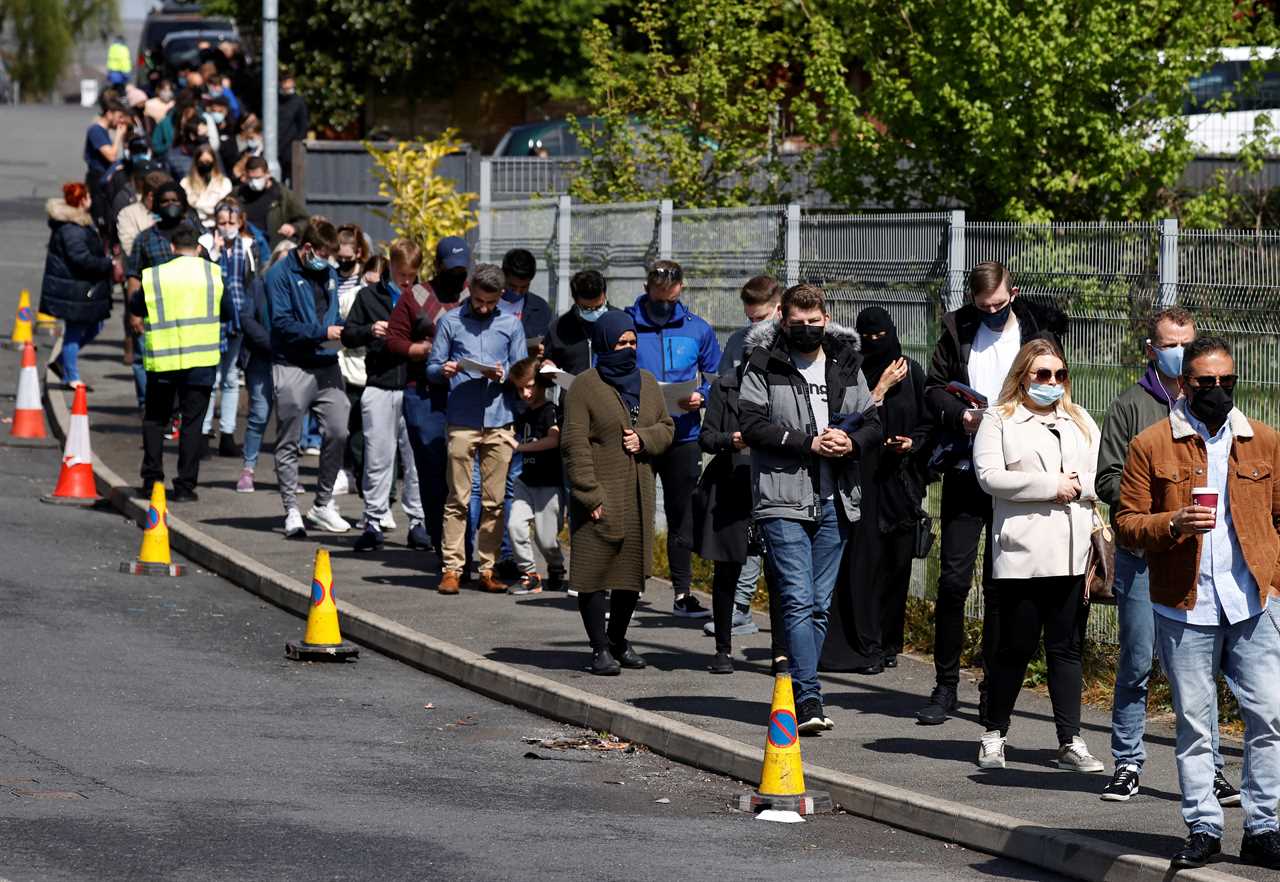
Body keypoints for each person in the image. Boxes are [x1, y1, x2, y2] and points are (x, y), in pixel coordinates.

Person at [1116, 337, 1280, 871]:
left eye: (1226, 382)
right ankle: (1204, 825)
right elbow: (1126, 522)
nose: (1217, 392)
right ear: (1185, 384)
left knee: (1268, 716)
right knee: (1195, 722)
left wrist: (1275, 579)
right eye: (1206, 383)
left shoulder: (1263, 441)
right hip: (1184, 605)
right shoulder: (1153, 443)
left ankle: (1263, 828)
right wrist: (1172, 523)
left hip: (1252, 601)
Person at [1097, 309, 1238, 804]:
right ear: (1151, 350)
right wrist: (1163, 505)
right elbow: (1107, 480)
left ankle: (1214, 770)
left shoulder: (1215, 404)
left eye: (1187, 342)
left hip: (1203, 559)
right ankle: (1128, 762)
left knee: (1202, 672)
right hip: (1145, 555)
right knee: (1137, 662)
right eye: (1169, 343)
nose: (1180, 351)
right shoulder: (1133, 407)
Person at [917, 261, 1066, 726]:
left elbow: (1054, 382)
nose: (993, 313)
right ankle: (945, 686)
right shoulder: (956, 329)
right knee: (953, 581)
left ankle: (992, 691)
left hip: (1016, 470)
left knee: (1002, 585)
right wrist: (958, 416)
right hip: (966, 465)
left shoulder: (1037, 328)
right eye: (984, 307)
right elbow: (935, 387)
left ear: (1013, 293)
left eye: (1000, 305)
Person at [739, 283, 882, 733]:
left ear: (827, 318)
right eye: (797, 324)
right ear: (782, 319)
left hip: (836, 496)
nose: (806, 330)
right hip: (782, 496)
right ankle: (808, 695)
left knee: (820, 604)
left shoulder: (845, 363)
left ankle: (797, 678)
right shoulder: (763, 362)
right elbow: (751, 424)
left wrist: (850, 441)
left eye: (814, 323)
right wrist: (807, 443)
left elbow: (872, 421)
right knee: (797, 599)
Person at [971, 338, 1103, 772]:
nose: (1051, 383)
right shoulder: (1000, 419)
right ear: (1023, 376)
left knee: (1066, 648)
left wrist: (1078, 486)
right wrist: (1052, 485)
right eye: (1042, 374)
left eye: (1059, 375)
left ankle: (1071, 740)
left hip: (1071, 552)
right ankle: (994, 732)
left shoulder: (1080, 420)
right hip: (1024, 553)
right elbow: (990, 477)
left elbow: (1097, 475)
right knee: (1016, 646)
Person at [562, 312, 675, 674]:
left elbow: (666, 428)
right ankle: (599, 649)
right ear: (604, 343)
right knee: (593, 573)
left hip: (637, 492)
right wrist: (588, 494)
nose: (627, 349)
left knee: (630, 574)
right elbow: (574, 443)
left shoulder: (647, 382)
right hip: (599, 491)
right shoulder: (585, 385)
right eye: (619, 343)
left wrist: (644, 438)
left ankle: (617, 640)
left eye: (632, 342)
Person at [625, 260, 722, 617]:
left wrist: (704, 396)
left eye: (670, 295)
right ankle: (628, 589)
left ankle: (683, 593)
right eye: (657, 295)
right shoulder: (628, 325)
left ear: (680, 289)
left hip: (684, 434)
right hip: (640, 432)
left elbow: (717, 376)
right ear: (648, 288)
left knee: (682, 513)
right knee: (636, 511)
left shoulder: (698, 329)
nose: (663, 301)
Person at [426, 263, 526, 594]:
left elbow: (523, 371)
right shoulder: (450, 321)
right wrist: (446, 369)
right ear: (471, 289)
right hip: (462, 419)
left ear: (500, 297)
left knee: (495, 501)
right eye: (480, 301)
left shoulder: (510, 325)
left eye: (491, 303)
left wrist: (506, 373)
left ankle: (487, 568)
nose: (484, 308)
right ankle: (452, 568)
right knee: (458, 498)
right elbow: (431, 368)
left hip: (499, 419)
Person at [841, 306, 931, 671]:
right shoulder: (854, 371)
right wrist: (879, 389)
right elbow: (847, 420)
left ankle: (892, 640)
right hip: (865, 482)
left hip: (902, 483)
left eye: (883, 336)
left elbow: (928, 423)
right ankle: (869, 643)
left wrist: (911, 444)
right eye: (869, 338)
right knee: (868, 564)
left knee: (897, 566)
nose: (877, 344)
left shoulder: (912, 373)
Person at [704, 274, 783, 642]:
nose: (754, 326)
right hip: (741, 455)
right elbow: (724, 388)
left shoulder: (789, 341)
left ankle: (746, 607)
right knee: (744, 534)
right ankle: (738, 607)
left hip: (778, 453)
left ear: (778, 310)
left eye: (762, 318)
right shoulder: (738, 342)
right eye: (750, 318)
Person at [128, 225, 231, 502]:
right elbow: (229, 312)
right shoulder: (213, 274)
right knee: (192, 424)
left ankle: (151, 482)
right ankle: (185, 487)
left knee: (155, 420)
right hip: (201, 362)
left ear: (172, 249)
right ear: (198, 249)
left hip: (164, 360)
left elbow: (136, 306)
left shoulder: (155, 276)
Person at [341, 239, 430, 554]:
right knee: (378, 458)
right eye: (401, 273)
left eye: (412, 274)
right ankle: (373, 521)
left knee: (416, 460)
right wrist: (369, 330)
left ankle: (418, 522)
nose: (407, 280)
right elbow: (348, 334)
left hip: (415, 386)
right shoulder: (369, 295)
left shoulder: (422, 296)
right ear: (390, 266)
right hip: (379, 382)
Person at [385, 236, 471, 558]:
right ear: (437, 266)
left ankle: (464, 544)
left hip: (464, 394)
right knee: (433, 473)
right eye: (451, 270)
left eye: (462, 270)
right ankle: (441, 544)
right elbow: (393, 340)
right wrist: (418, 350)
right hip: (424, 396)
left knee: (464, 474)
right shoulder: (415, 296)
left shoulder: (472, 296)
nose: (457, 277)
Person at [265, 218, 350, 538]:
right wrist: (322, 332)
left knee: (339, 429)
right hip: (291, 364)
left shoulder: (328, 273)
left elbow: (333, 315)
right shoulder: (278, 275)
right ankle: (290, 508)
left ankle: (323, 503)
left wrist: (339, 330)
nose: (330, 262)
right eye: (325, 254)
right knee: (289, 439)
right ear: (308, 248)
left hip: (326, 363)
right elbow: (282, 323)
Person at [125, 180, 203, 408]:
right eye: (165, 201)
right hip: (153, 311)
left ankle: (177, 409)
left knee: (184, 365)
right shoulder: (145, 239)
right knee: (145, 360)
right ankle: (146, 404)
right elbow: (134, 274)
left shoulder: (195, 233)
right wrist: (134, 313)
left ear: (183, 203)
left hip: (189, 311)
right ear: (156, 206)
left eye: (174, 201)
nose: (170, 205)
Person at [40, 183, 115, 389]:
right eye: (88, 196)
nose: (91, 200)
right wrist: (108, 264)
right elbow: (80, 258)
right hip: (74, 289)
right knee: (74, 332)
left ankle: (62, 363)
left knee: (93, 326)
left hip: (80, 287)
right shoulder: (72, 228)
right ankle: (71, 377)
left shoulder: (78, 223)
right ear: (82, 201)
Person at [198, 198, 257, 456]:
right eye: (222, 222)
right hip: (210, 319)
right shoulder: (207, 244)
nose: (226, 227)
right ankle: (203, 432)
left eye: (231, 222)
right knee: (211, 378)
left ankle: (228, 433)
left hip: (236, 318)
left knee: (231, 377)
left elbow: (252, 280)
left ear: (240, 222)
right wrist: (215, 253)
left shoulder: (248, 245)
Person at [236, 244, 295, 493]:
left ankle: (287, 474)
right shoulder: (259, 285)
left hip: (290, 361)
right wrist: (270, 343)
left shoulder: (298, 289)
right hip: (261, 358)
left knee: (289, 418)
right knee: (259, 414)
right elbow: (247, 318)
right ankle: (248, 469)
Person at [505, 356, 566, 594]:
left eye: (529, 386)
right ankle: (529, 574)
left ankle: (556, 566)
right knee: (515, 525)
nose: (525, 394)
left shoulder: (551, 411)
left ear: (541, 384)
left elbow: (553, 440)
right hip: (526, 481)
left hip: (549, 483)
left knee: (546, 538)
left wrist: (520, 447)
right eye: (520, 389)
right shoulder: (524, 413)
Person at [335, 224, 372, 497]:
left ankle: (360, 474)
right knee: (341, 422)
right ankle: (344, 470)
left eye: (347, 257)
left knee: (360, 425)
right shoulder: (332, 278)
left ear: (358, 254)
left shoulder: (364, 285)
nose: (343, 262)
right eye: (339, 257)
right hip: (340, 359)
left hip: (361, 361)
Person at [544, 269, 618, 376]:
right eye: (587, 308)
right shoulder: (560, 328)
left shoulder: (621, 322)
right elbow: (547, 371)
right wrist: (548, 369)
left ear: (604, 295)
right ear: (576, 300)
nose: (594, 312)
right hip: (573, 390)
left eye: (599, 306)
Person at [238, 156, 308, 247]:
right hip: (247, 248)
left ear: (268, 174)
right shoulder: (240, 194)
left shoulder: (282, 195)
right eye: (250, 178)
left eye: (258, 178)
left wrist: (294, 228)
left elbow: (304, 220)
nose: (254, 182)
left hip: (273, 249)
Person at [85, 96, 131, 232]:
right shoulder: (96, 130)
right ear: (109, 114)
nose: (120, 121)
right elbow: (111, 155)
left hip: (106, 178)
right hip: (98, 177)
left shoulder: (103, 131)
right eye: (119, 116)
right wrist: (118, 136)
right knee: (100, 217)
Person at [116, 169, 167, 257]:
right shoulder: (127, 215)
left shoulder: (169, 209)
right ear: (151, 196)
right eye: (164, 197)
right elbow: (131, 251)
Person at [181, 144, 232, 229]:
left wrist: (198, 206)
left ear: (214, 162)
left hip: (218, 226)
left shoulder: (224, 183)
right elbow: (186, 207)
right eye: (202, 162)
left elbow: (223, 207)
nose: (205, 165)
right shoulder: (185, 183)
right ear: (196, 162)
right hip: (194, 227)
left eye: (208, 162)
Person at [277, 72, 309, 185]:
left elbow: (303, 125)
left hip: (291, 148)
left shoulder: (298, 102)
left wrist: (297, 143)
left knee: (293, 180)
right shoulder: (275, 100)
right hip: (276, 147)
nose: (287, 88)